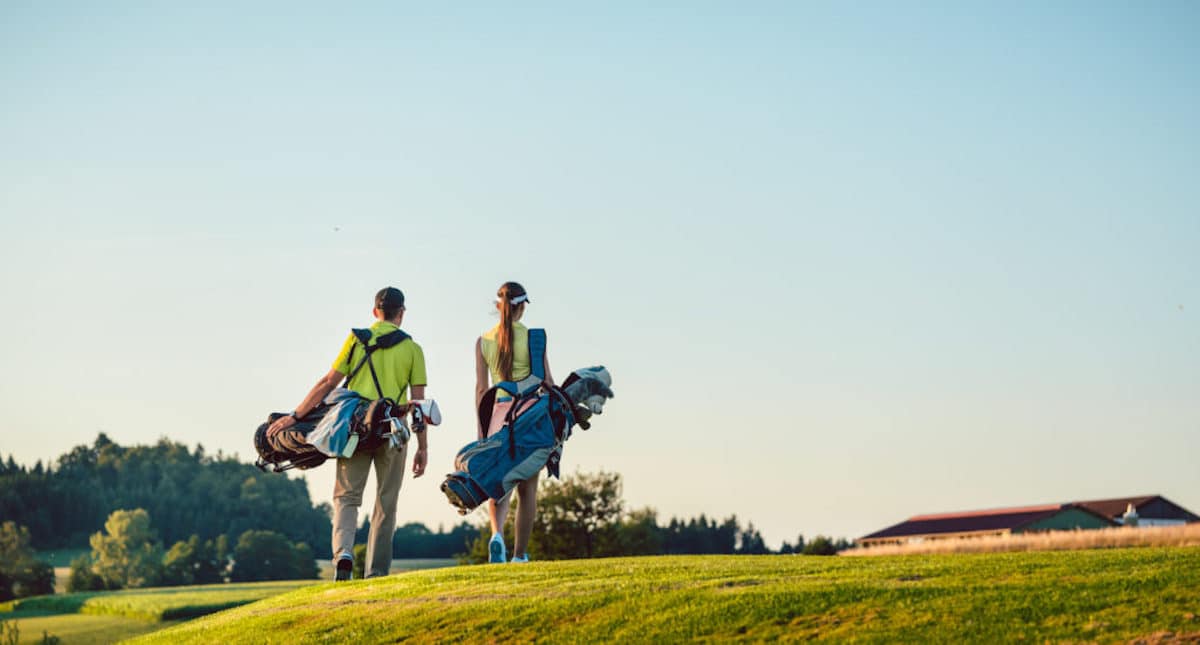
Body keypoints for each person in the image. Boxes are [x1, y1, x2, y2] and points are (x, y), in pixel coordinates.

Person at [267, 286, 428, 580]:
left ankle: (343, 554)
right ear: (401, 313)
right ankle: (376, 573)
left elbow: (328, 382)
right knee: (386, 503)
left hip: (354, 428)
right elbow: (418, 405)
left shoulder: (356, 340)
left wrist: (295, 416)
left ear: (374, 312)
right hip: (393, 429)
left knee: (347, 496)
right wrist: (423, 447)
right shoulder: (413, 349)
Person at [475, 281, 553, 563]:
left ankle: (497, 535)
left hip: (497, 414)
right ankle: (519, 554)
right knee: (528, 488)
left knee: (499, 481)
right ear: (521, 307)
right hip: (529, 415)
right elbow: (548, 383)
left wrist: (483, 430)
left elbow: (482, 390)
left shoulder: (483, 341)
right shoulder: (534, 338)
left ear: (499, 307)